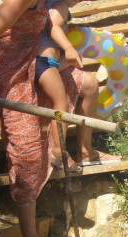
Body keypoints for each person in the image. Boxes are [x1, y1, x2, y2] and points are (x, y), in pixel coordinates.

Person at [0, 0, 120, 237]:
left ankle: (70, 150)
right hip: (7, 76)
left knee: (83, 82)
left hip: (27, 68)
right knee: (27, 154)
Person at [35, 0, 84, 172]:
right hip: (43, 61)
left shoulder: (50, 4)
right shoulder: (60, 5)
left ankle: (59, 150)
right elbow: (53, 26)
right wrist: (69, 48)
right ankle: (58, 150)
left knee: (60, 100)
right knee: (61, 103)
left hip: (47, 62)